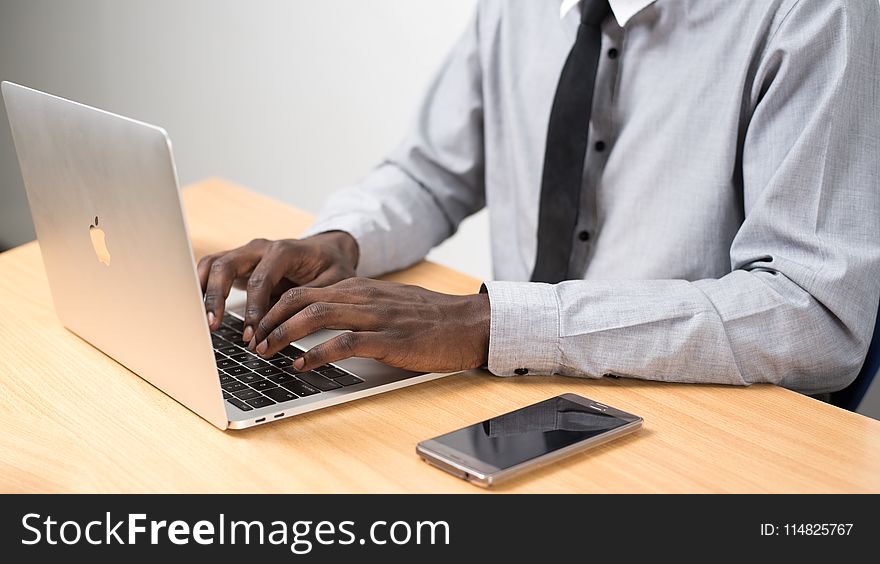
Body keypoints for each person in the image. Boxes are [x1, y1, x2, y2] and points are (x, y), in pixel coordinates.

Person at [198, 0, 880, 395]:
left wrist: (488, 324)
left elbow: (813, 311)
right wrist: (342, 241)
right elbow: (433, 170)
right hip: (514, 384)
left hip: (687, 410)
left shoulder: (813, 14)